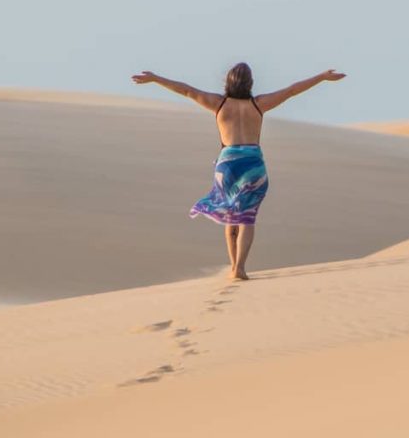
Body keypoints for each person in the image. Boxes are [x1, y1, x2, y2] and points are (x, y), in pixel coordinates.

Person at [131, 62, 346, 280]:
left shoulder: (219, 103)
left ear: (228, 81)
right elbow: (291, 90)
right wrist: (321, 76)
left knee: (231, 214)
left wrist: (156, 78)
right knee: (247, 217)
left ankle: (234, 265)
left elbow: (187, 90)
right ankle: (240, 267)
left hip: (228, 164)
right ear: (250, 82)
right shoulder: (259, 104)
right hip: (252, 163)